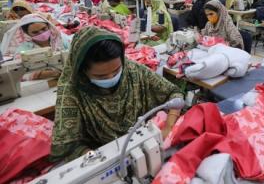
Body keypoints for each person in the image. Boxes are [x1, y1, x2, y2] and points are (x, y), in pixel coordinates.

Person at [50, 27, 183, 162]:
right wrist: (95, 158)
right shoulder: (72, 91)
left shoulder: (133, 70)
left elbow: (174, 93)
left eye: (116, 70)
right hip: (102, 153)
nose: (111, 77)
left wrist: (168, 127)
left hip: (143, 142)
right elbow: (65, 146)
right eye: (101, 76)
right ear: (82, 70)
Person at [1, 14, 68, 81]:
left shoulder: (61, 39)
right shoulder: (22, 50)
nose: (41, 33)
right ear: (27, 33)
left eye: (44, 29)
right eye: (35, 32)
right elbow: (18, 74)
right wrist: (40, 74)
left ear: (48, 26)